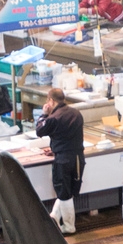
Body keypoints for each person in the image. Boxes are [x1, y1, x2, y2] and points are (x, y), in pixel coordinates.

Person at [36, 92, 85, 234]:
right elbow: (69, 135)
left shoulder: (53, 118)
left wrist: (44, 114)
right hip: (77, 158)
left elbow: (39, 130)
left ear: (51, 101)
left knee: (63, 192)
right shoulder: (76, 113)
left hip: (62, 159)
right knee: (68, 191)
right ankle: (55, 217)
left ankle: (69, 227)